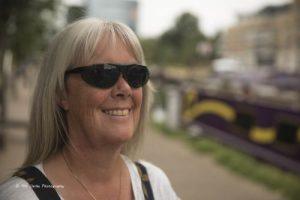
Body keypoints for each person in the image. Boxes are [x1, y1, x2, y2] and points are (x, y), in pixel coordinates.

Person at [0, 18, 179, 200]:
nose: (125, 89)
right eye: (103, 73)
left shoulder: (155, 185)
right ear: (61, 93)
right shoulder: (20, 196)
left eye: (135, 74)